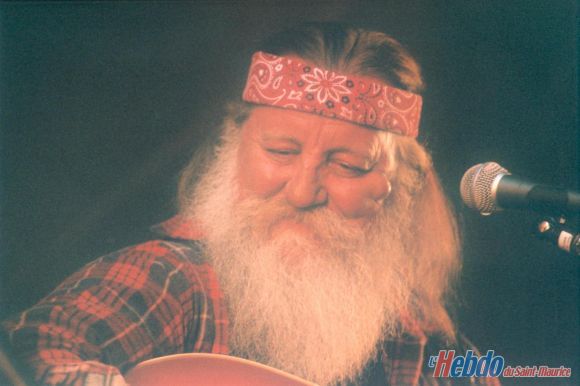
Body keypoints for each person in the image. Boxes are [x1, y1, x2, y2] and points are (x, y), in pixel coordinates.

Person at [2, 22, 499, 386]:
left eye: (347, 165)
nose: (303, 192)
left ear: (397, 187)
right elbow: (30, 354)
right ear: (232, 147)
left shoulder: (427, 344)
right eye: (280, 152)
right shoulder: (169, 278)